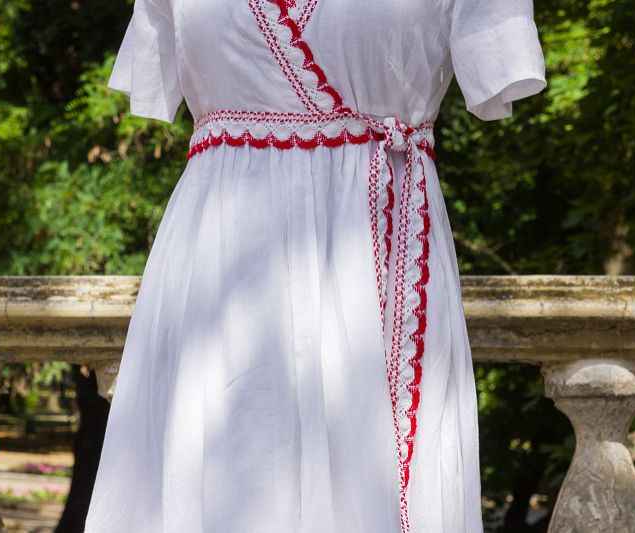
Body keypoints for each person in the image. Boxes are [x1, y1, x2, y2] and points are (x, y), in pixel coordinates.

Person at [84, 1, 546, 531]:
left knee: (365, 474)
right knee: (217, 461)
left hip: (375, 253)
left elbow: (495, 65)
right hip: (216, 272)